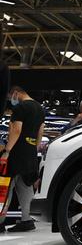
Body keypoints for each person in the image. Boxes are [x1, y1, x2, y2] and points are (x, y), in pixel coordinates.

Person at [0, 86, 45, 232]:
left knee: (5, 187)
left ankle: (0, 221)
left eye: (10, 97)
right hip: (30, 152)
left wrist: (7, 150)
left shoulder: (20, 107)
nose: (10, 100)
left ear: (16, 93)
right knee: (25, 186)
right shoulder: (39, 108)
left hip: (16, 151)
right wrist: (34, 149)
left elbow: (16, 129)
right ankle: (27, 220)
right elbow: (41, 130)